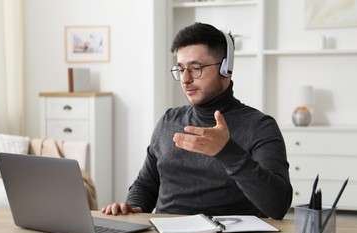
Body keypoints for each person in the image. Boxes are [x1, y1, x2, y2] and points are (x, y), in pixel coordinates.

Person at [101, 22, 293, 220]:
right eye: (181, 69)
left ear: (226, 69)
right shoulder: (169, 120)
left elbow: (277, 205)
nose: (185, 79)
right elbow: (146, 185)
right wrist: (133, 208)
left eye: (195, 68)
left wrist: (227, 151)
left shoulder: (260, 126)